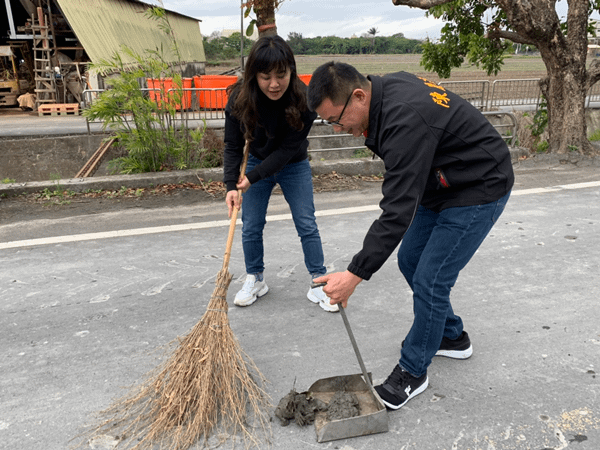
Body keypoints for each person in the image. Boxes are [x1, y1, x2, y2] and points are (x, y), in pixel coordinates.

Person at [307, 62, 514, 409]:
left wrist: (353, 275)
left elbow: (397, 211)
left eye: (338, 120)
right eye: (329, 122)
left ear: (359, 96)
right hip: (441, 181)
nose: (339, 129)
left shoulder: (404, 119)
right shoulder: (383, 93)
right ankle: (452, 336)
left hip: (480, 184)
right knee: (410, 260)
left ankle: (413, 370)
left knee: (431, 278)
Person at [223, 36, 337, 313]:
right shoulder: (239, 99)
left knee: (306, 223)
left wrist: (252, 178)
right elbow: (232, 145)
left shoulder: (304, 99)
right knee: (251, 226)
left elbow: (287, 151)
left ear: (291, 70)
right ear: (254, 75)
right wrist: (230, 185)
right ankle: (256, 278)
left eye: (281, 75)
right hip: (255, 162)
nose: (274, 84)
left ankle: (318, 282)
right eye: (265, 77)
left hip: (293, 164)